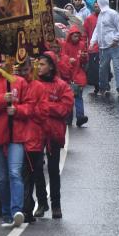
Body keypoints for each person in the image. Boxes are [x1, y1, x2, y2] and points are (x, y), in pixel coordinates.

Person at [0, 63, 34, 227]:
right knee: (2, 177)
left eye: (5, 60)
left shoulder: (20, 82)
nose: (1, 64)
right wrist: (1, 100)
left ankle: (17, 210)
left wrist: (17, 110)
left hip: (15, 135)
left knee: (15, 172)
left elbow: (30, 107)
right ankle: (6, 213)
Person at [34, 53, 74, 218]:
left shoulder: (62, 86)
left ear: (51, 66)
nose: (39, 67)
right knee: (36, 169)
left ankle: (56, 205)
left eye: (42, 64)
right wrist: (50, 107)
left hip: (54, 134)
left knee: (53, 169)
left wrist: (44, 107)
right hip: (36, 132)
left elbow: (64, 109)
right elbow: (30, 107)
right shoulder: (34, 84)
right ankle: (42, 203)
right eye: (38, 64)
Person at [16, 59, 47, 224]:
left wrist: (26, 110)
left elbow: (43, 112)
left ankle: (41, 202)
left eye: (26, 70)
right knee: (23, 174)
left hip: (34, 135)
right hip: (18, 136)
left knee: (36, 173)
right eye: (20, 71)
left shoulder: (39, 87)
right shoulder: (15, 85)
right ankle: (27, 208)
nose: (23, 74)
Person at [89, 0, 119, 97]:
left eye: (98, 5)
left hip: (115, 46)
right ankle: (103, 88)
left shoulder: (113, 14)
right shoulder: (100, 15)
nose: (96, 7)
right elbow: (97, 29)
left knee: (117, 67)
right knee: (102, 68)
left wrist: (115, 40)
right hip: (103, 47)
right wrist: (92, 42)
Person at [61, 26, 89, 127]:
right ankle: (68, 118)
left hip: (78, 74)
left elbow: (85, 61)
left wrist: (84, 57)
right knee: (68, 98)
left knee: (78, 96)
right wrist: (68, 60)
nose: (76, 38)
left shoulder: (82, 45)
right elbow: (62, 58)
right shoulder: (64, 45)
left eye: (78, 36)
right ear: (70, 36)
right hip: (67, 74)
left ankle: (80, 117)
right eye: (75, 36)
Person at [84, 0, 101, 94]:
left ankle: (105, 83)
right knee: (94, 68)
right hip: (93, 48)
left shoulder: (106, 17)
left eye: (98, 6)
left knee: (103, 66)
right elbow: (84, 32)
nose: (96, 8)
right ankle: (97, 85)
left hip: (104, 47)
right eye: (95, 6)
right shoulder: (89, 18)